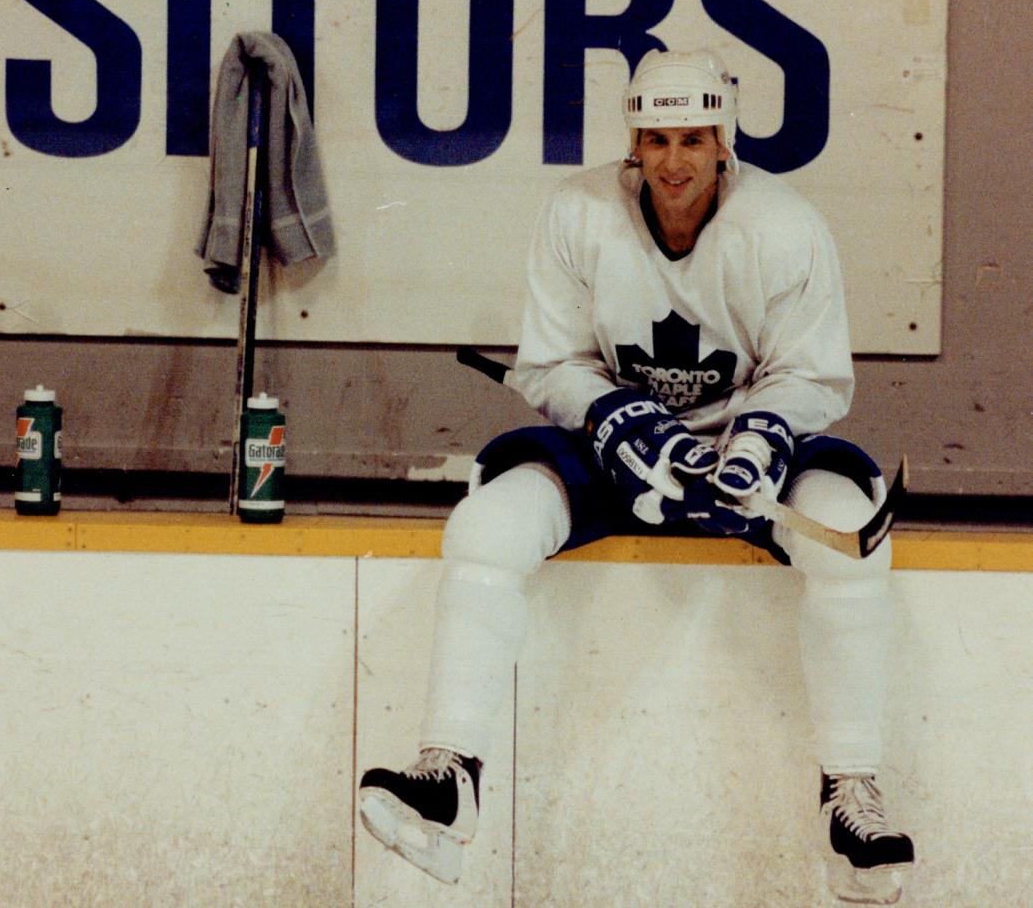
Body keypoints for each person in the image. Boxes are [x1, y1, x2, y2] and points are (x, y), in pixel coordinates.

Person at [357, 50, 915, 904]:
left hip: (746, 455)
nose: (674, 161)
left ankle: (851, 792)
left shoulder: (785, 226)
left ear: (724, 140)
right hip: (622, 452)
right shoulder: (577, 213)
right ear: (635, 142)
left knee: (849, 533)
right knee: (487, 526)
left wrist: (759, 436)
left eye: (693, 138)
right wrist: (618, 418)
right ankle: (449, 773)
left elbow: (814, 377)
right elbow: (549, 365)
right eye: (656, 139)